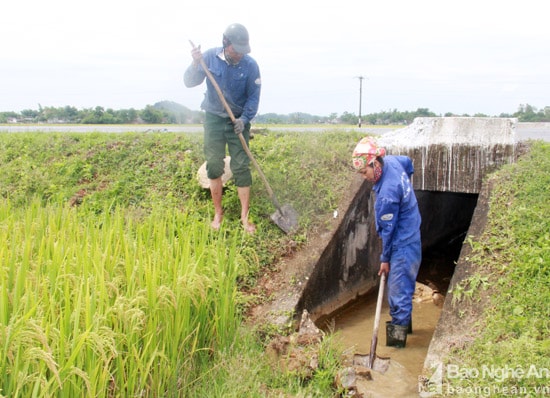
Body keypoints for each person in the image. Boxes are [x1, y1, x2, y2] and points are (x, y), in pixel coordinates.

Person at [184, 23, 261, 234]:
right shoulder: (208, 58)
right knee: (214, 165)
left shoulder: (250, 66)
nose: (239, 55)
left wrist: (244, 119)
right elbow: (189, 82)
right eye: (236, 50)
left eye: (243, 51)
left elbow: (254, 97)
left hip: (238, 121)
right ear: (225, 44)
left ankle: (245, 217)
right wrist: (194, 63)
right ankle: (218, 213)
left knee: (241, 167)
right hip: (214, 120)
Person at [352, 137, 422, 348]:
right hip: (413, 232)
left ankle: (397, 347)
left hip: (403, 242)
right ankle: (406, 327)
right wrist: (406, 194)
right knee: (404, 288)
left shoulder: (387, 195)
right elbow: (409, 163)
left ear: (375, 163)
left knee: (398, 295)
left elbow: (388, 232)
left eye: (365, 172)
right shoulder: (392, 161)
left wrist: (384, 259)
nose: (365, 177)